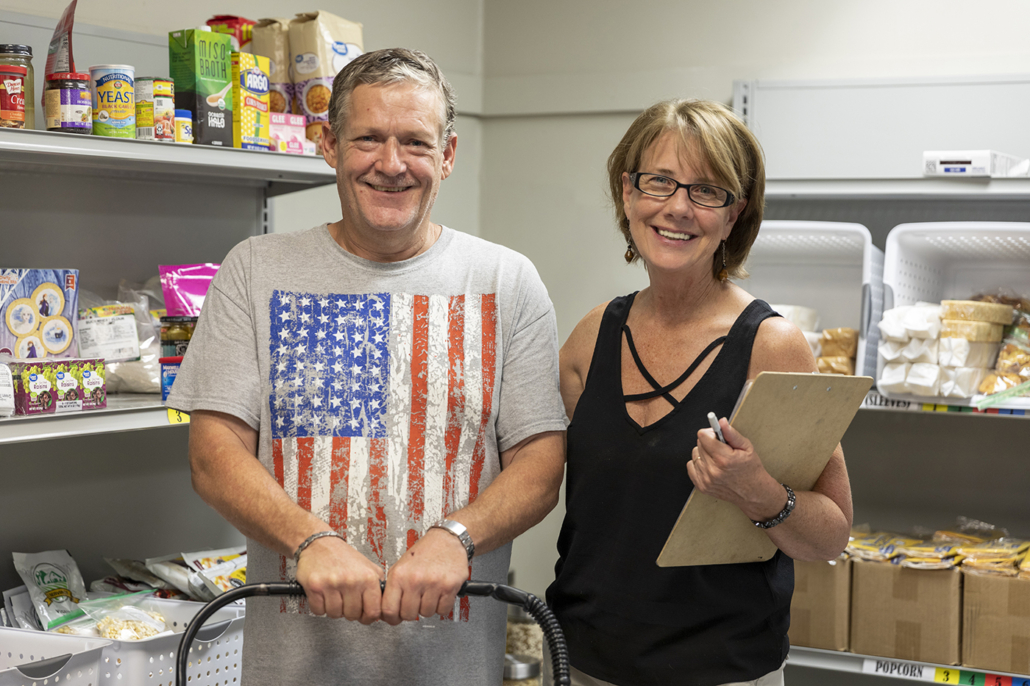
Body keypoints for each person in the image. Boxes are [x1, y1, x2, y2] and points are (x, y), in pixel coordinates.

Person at [167, 48, 568, 685]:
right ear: (329, 144)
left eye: (415, 142)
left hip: (453, 669)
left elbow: (541, 467)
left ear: (449, 155)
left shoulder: (506, 280)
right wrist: (308, 541)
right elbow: (213, 456)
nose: (391, 164)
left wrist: (455, 537)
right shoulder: (254, 270)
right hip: (292, 668)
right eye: (368, 139)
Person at [545, 99, 853, 686]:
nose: (677, 207)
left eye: (707, 191)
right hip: (583, 661)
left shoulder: (772, 346)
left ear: (734, 215)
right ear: (628, 194)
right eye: (658, 181)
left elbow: (831, 532)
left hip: (721, 670)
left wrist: (759, 493)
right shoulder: (592, 336)